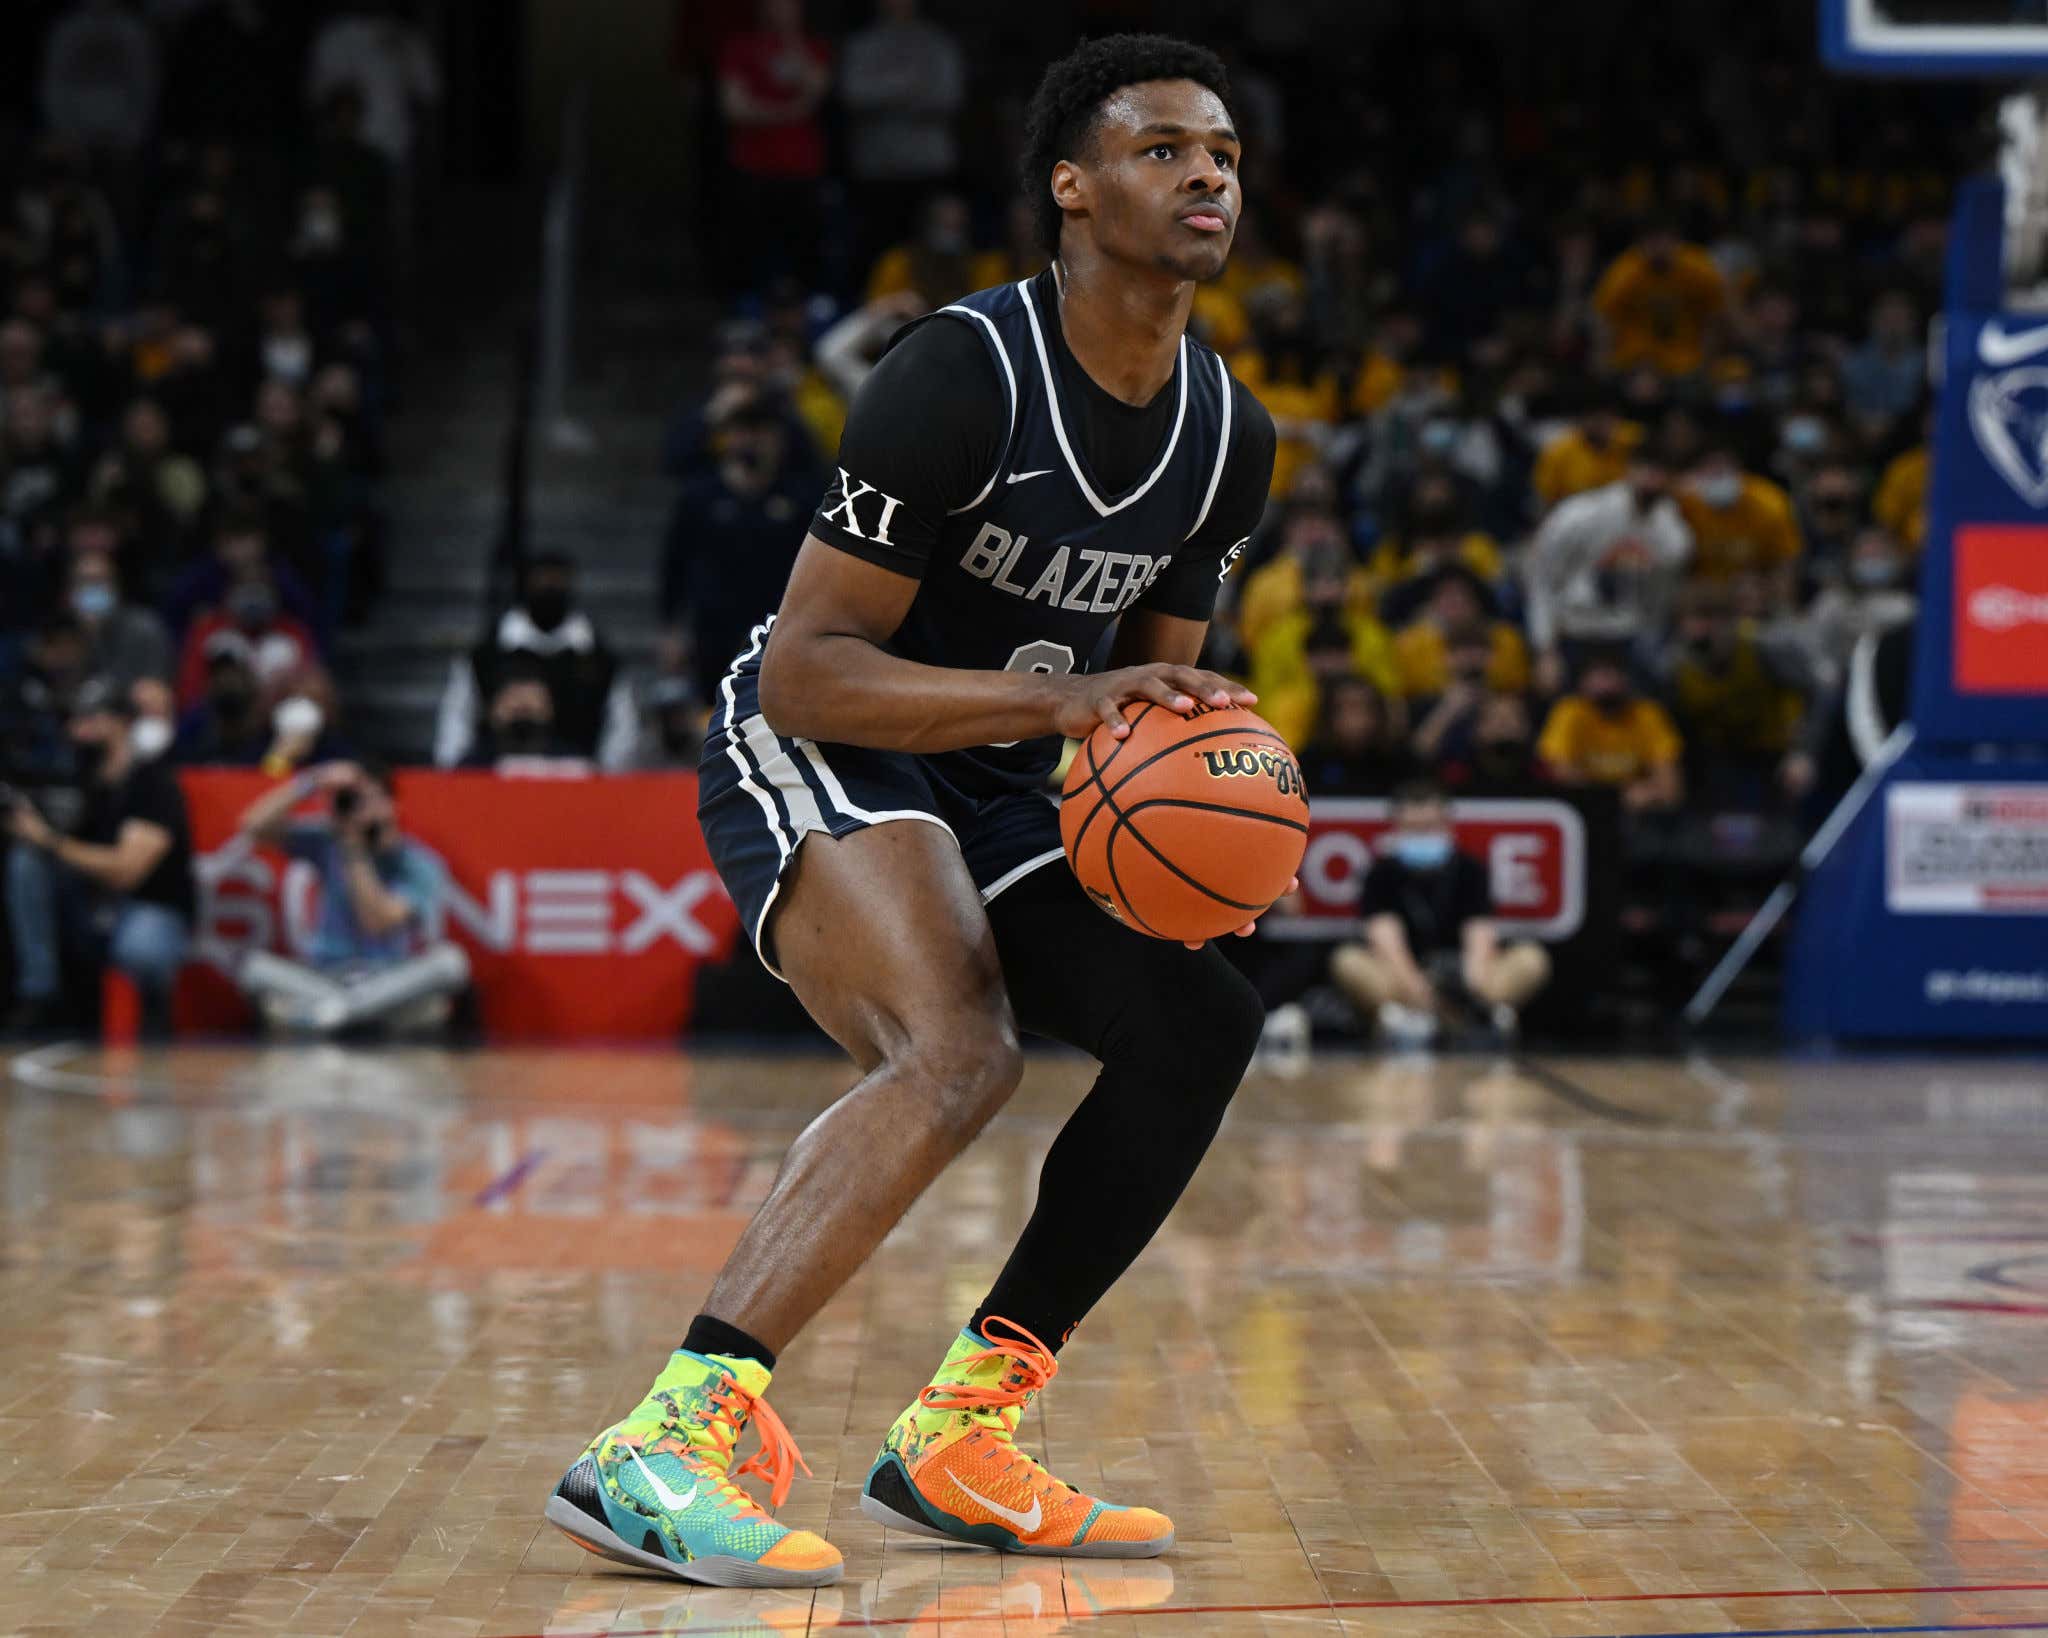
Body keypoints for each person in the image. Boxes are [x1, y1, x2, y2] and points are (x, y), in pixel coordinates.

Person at [545, 34, 1278, 1586]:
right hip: (828, 732)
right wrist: (1059, 706)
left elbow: (1146, 711)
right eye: (1162, 149)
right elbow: (813, 672)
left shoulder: (1230, 438)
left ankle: (964, 1425)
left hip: (1005, 774)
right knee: (957, 1050)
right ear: (1072, 190)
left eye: (1219, 151)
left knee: (1201, 1016)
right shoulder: (963, 372)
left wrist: (1213, 822)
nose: (1207, 172)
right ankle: (664, 1437)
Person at [4, 677, 195, 1036]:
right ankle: (39, 995)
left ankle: (155, 1014)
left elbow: (128, 871)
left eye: (88, 719)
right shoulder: (80, 780)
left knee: (143, 946)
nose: (77, 730)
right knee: (26, 865)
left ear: (120, 721)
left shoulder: (152, 781)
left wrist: (50, 841)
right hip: (92, 907)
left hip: (148, 907)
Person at [231, 759, 468, 1037]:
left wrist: (355, 852)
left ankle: (335, 1014)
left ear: (391, 805)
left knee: (450, 964)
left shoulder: (420, 864)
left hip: (389, 980)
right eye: (356, 801)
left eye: (371, 800)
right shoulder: (328, 840)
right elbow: (253, 826)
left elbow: (377, 921)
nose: (363, 811)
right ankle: (352, 1013)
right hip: (324, 977)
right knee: (253, 968)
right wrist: (311, 781)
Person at [1328, 778, 1550, 1046]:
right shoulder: (1381, 874)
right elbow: (1386, 940)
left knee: (1531, 958)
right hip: (1405, 978)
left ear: (1447, 825)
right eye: (1412, 829)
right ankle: (1406, 1021)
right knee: (1348, 960)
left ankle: (1485, 1015)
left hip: (1464, 975)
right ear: (1396, 828)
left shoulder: (1470, 870)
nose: (1421, 836)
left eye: (1429, 828)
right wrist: (1419, 992)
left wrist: (1473, 989)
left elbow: (1479, 936)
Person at [663, 391, 816, 706]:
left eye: (761, 432)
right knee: (709, 712)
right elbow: (674, 563)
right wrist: (671, 628)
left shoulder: (800, 497)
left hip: (777, 629)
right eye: (742, 431)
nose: (751, 441)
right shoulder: (700, 495)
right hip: (712, 628)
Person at [434, 552, 636, 770]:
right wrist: (452, 776)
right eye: (541, 581)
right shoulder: (486, 656)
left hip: (579, 783)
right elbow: (456, 724)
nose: (548, 588)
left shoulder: (599, 659)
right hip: (490, 779)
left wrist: (606, 783)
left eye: (556, 582)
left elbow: (621, 735)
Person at [1523, 443, 1692, 696]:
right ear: (1630, 470)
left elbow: (1660, 600)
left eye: (1662, 472)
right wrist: (1545, 649)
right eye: (1647, 469)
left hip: (1628, 638)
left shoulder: (1672, 535)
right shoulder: (1580, 516)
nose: (1654, 479)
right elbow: (1542, 579)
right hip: (1575, 630)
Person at [841, 0, 967, 271]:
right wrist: (910, 88)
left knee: (932, 246)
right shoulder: (862, 45)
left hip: (929, 164)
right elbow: (854, 94)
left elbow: (948, 97)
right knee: (878, 249)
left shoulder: (938, 44)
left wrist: (885, 94)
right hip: (877, 167)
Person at [1536, 650, 1684, 814]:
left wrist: (1649, 794)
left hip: (1640, 815)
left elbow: (1671, 786)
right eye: (1597, 676)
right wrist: (1617, 796)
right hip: (1585, 810)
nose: (1605, 684)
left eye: (1610, 675)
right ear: (1582, 683)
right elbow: (1560, 771)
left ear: (1626, 680)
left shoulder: (1647, 714)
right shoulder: (1569, 712)